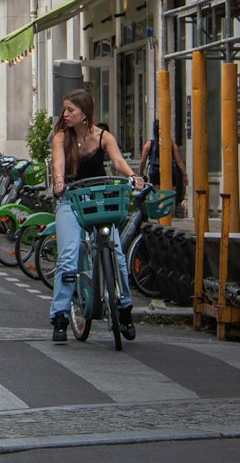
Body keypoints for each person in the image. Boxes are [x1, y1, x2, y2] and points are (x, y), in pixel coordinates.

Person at [49, 88, 139, 344]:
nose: (65, 114)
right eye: (64, 109)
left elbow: (118, 162)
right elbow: (58, 165)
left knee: (118, 253)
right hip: (71, 198)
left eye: (70, 110)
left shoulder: (103, 136)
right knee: (68, 256)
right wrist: (58, 182)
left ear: (84, 114)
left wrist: (132, 176)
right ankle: (60, 317)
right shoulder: (60, 138)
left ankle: (124, 309)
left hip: (100, 199)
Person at [139, 125, 187, 209]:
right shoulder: (171, 143)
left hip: (155, 173)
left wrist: (141, 173)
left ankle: (158, 212)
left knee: (156, 194)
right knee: (168, 196)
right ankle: (168, 213)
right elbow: (179, 161)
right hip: (169, 173)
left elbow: (142, 161)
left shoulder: (149, 144)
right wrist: (184, 174)